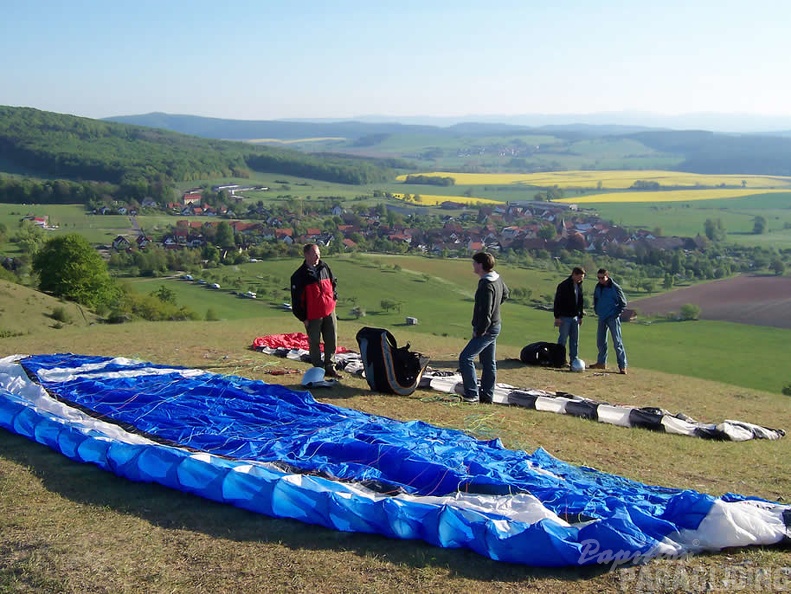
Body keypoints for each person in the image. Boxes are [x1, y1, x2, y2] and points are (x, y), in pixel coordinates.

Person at [459, 252, 509, 403]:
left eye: (474, 263)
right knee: (488, 362)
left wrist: (480, 331)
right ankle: (487, 395)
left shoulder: (487, 285)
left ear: (480, 265)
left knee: (465, 358)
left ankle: (472, 393)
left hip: (487, 329)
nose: (473, 266)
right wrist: (495, 310)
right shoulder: (497, 278)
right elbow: (506, 294)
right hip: (495, 325)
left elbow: (485, 311)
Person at [290, 244, 341, 378]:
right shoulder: (299, 276)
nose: (318, 256)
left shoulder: (325, 267)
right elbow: (296, 301)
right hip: (312, 315)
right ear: (306, 255)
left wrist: (333, 299)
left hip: (329, 310)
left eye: (318, 253)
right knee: (314, 342)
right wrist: (303, 318)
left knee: (331, 339)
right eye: (314, 254)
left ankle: (330, 366)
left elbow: (333, 283)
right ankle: (319, 368)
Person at [591, 268, 628, 374]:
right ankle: (601, 363)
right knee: (600, 341)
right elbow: (596, 299)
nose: (600, 280)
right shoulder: (598, 287)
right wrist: (597, 310)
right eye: (598, 278)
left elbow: (623, 303)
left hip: (612, 317)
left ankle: (622, 366)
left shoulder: (615, 287)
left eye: (602, 278)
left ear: (607, 276)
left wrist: (616, 314)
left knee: (617, 343)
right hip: (602, 316)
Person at [553, 266, 586, 366]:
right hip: (564, 317)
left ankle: (574, 360)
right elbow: (557, 302)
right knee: (563, 339)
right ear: (574, 275)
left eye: (582, 277)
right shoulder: (563, 286)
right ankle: (560, 359)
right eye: (580, 277)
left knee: (575, 340)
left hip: (575, 317)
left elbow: (580, 302)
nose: (581, 279)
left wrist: (580, 316)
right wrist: (557, 317)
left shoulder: (579, 286)